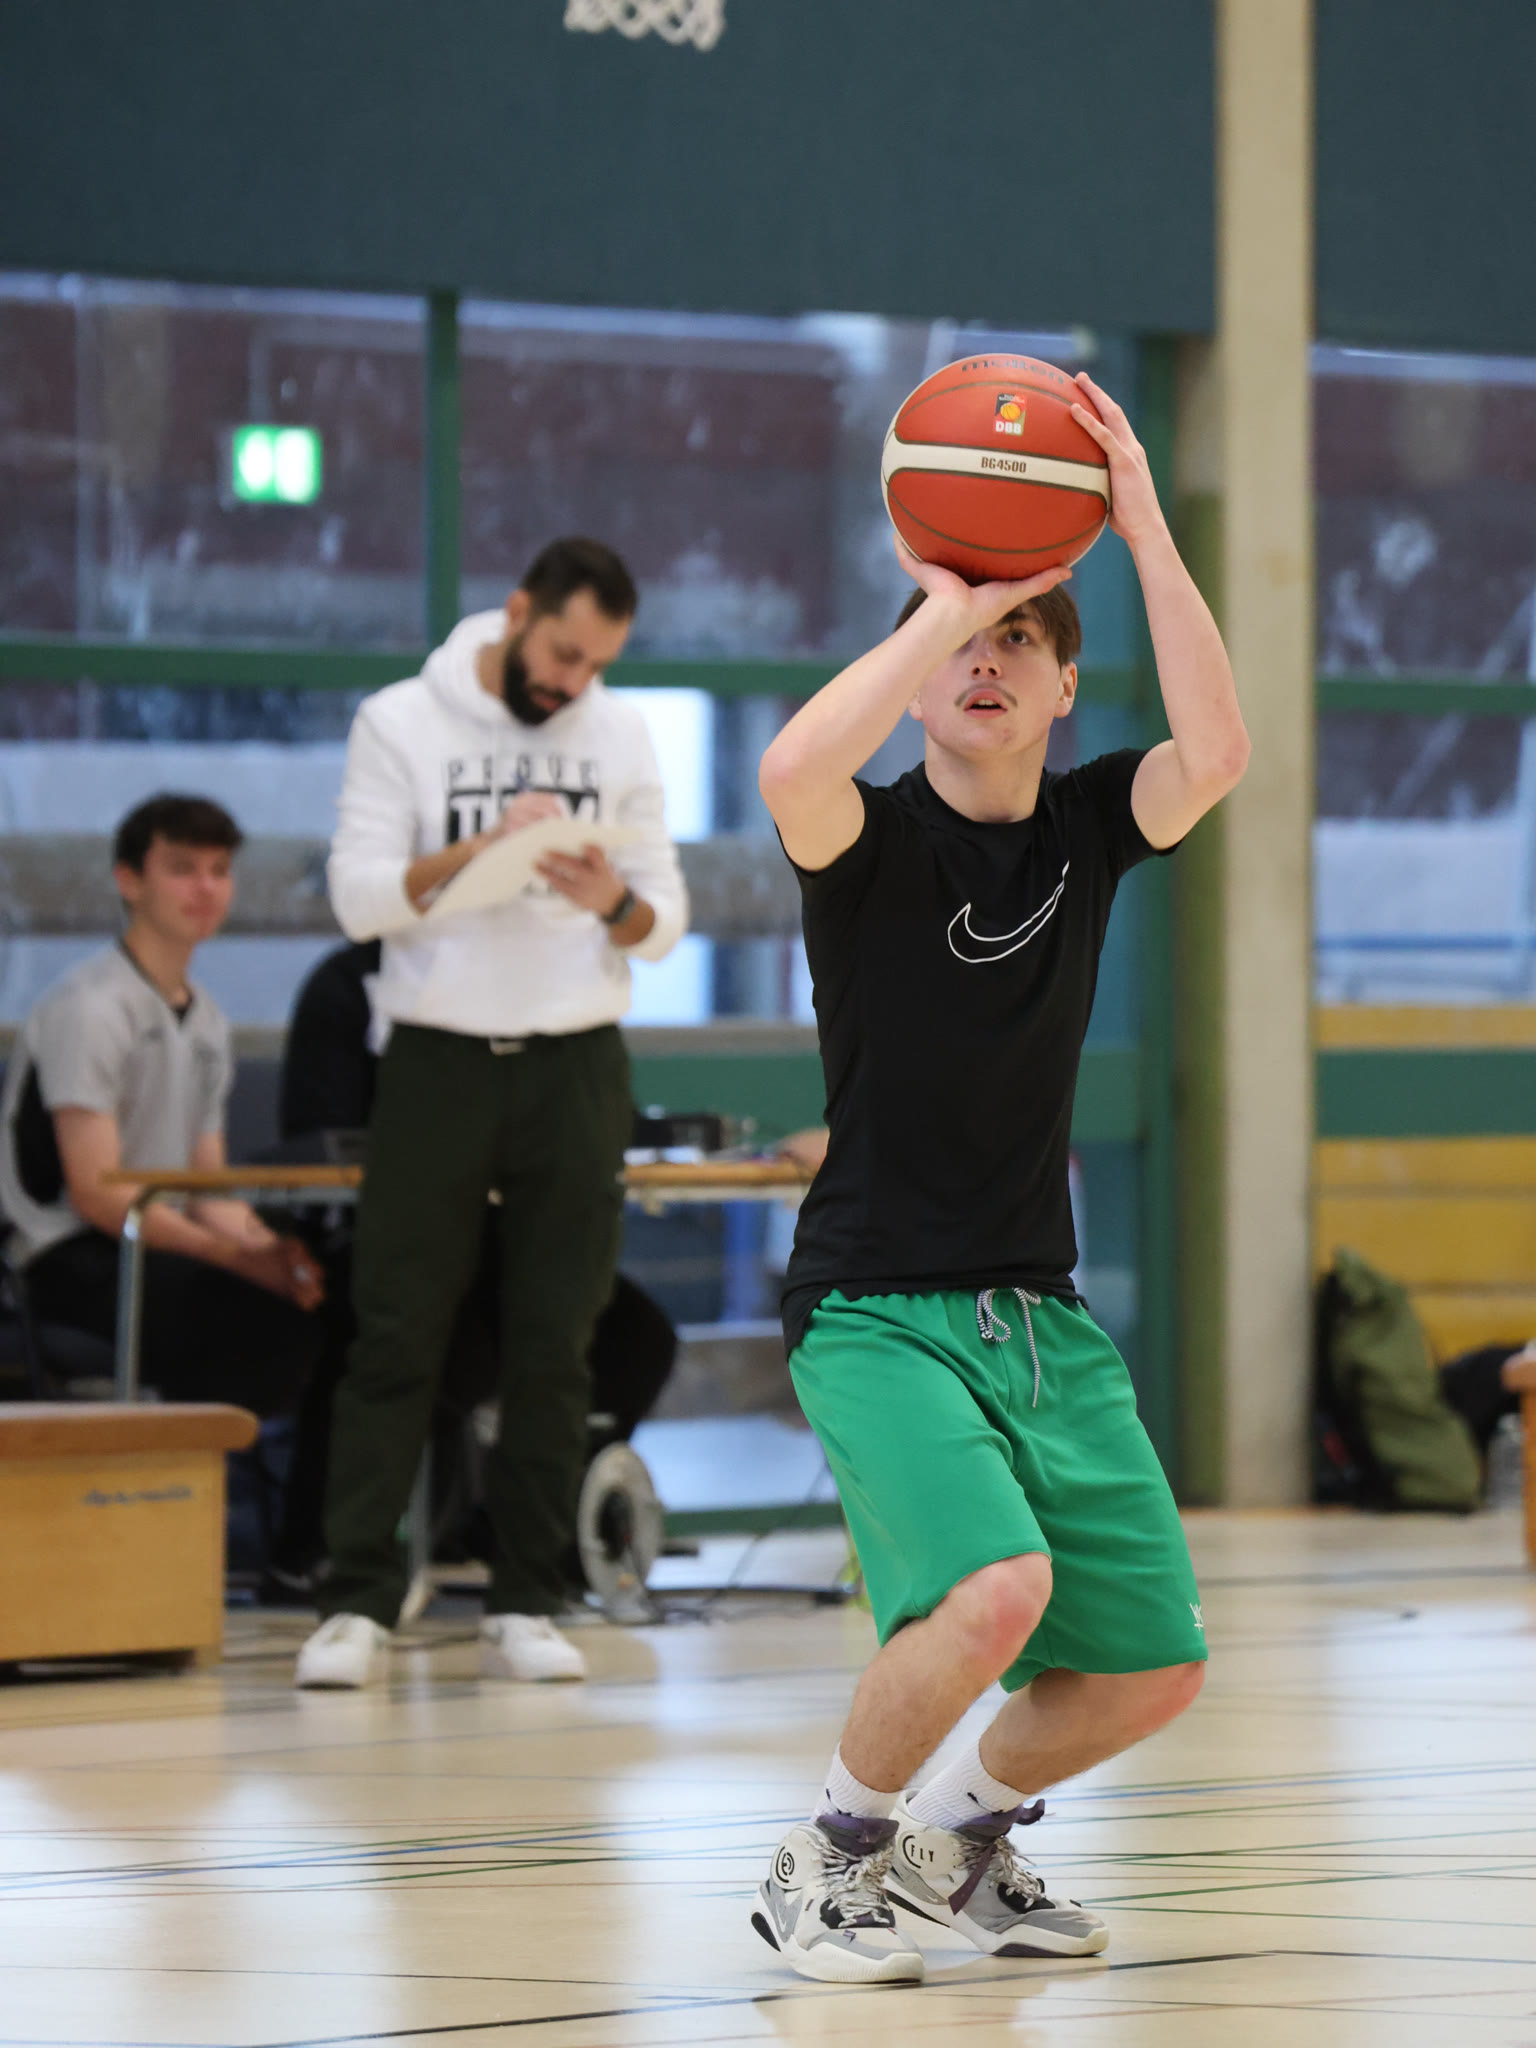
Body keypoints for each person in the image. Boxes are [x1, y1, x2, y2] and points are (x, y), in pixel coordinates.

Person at [751, 373, 1249, 1984]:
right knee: (994, 1591)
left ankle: (953, 1851)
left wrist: (1138, 522)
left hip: (1038, 1308)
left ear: (1063, 686)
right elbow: (788, 768)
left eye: (1023, 638)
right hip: (875, 1303)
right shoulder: (866, 845)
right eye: (960, 639)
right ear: (915, 679)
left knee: (1154, 1670)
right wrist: (954, 595)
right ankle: (823, 1861)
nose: (985, 657)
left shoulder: (1091, 829)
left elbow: (1220, 745)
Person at [295, 536, 687, 1690]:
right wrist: (482, 852)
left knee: (557, 1339)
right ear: (518, 612)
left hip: (576, 1056)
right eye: (563, 651)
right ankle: (356, 1596)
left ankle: (527, 1596)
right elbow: (357, 897)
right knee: (396, 1330)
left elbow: (663, 921)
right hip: (437, 1053)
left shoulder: (618, 732)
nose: (572, 681)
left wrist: (608, 896)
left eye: (595, 663)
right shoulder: (400, 720)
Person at [270, 936, 677, 1586]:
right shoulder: (348, 986)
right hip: (387, 1230)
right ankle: (325, 1547)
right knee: (438, 1340)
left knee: (631, 1335)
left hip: (510, 1235)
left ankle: (528, 1530)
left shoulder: (529, 979)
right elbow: (324, 1136)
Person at [0, 794, 336, 1415]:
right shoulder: (90, 1007)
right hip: (68, 1253)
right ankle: (190, 1472)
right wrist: (237, 1260)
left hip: (156, 1238)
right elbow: (97, 1194)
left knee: (327, 1302)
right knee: (258, 1327)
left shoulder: (207, 1019)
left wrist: (272, 1254)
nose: (205, 888)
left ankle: (290, 1480)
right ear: (129, 881)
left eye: (219, 871)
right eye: (182, 869)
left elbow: (206, 1186)